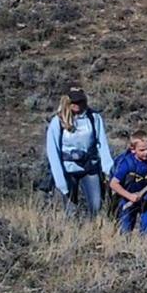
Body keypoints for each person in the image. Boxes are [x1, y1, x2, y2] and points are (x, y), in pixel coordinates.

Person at [45, 84, 114, 218]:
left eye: (80, 101)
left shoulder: (94, 118)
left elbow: (102, 145)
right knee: (70, 211)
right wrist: (61, 182)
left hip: (89, 167)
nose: (77, 104)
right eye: (74, 101)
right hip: (68, 170)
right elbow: (53, 152)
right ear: (67, 101)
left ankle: (94, 232)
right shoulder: (57, 122)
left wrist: (109, 171)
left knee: (96, 206)